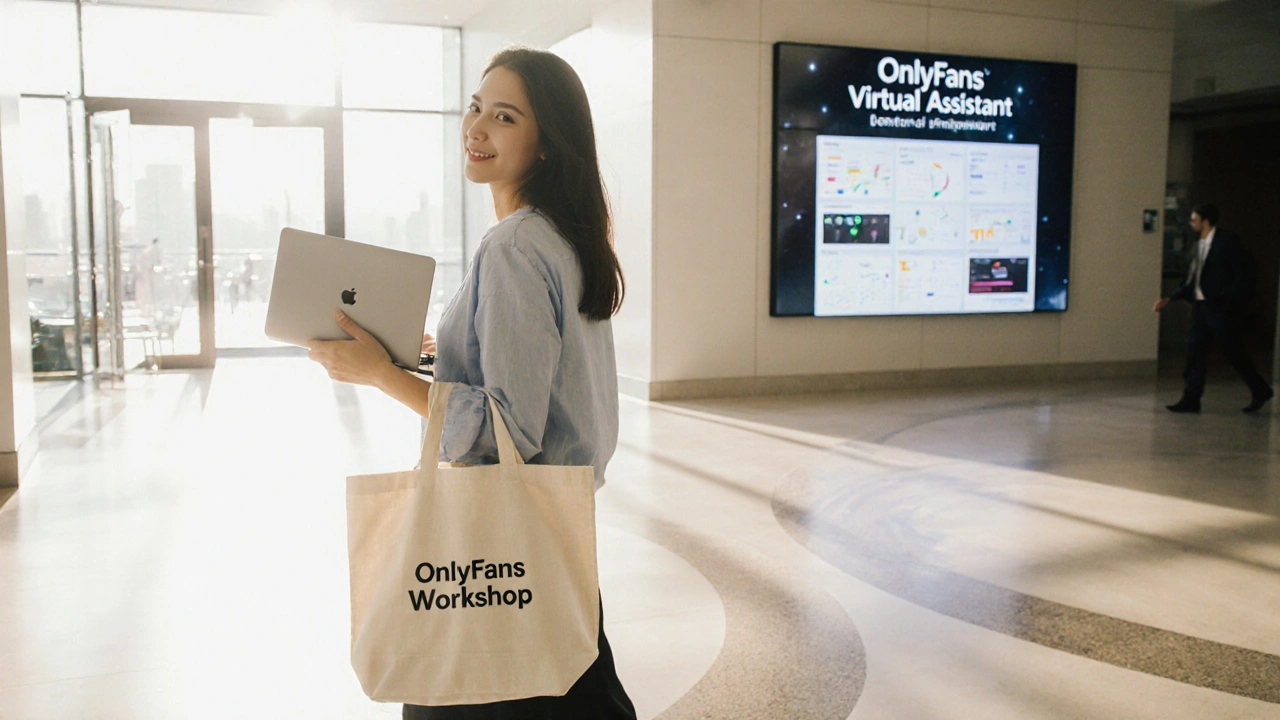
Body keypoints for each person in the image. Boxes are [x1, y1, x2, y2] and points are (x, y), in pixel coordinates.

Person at [305, 47, 637, 719]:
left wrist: (381, 374)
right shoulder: (565, 238)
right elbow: (550, 381)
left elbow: (508, 426)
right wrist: (445, 357)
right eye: (476, 108)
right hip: (554, 536)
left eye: (505, 117)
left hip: (503, 550)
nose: (477, 129)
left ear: (547, 144)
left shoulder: (513, 246)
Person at [1153, 203, 1274, 413]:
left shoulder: (1227, 241)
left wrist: (1230, 302)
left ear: (1206, 221)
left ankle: (1260, 389)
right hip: (1200, 307)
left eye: (1194, 220)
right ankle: (1191, 399)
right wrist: (1170, 298)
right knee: (1195, 353)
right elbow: (1192, 278)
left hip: (1219, 308)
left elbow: (1242, 275)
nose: (1191, 224)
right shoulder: (1197, 245)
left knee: (1233, 351)